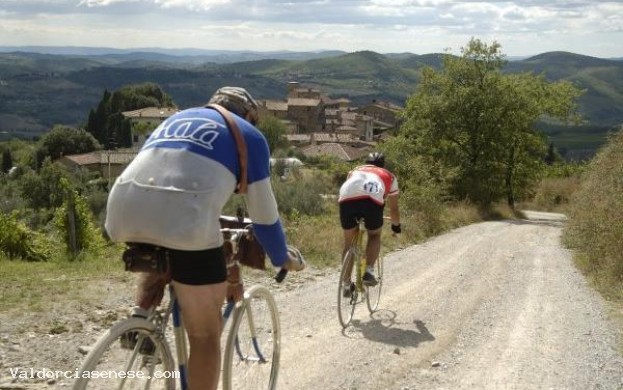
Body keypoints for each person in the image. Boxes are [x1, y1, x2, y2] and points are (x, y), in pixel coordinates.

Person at [104, 86, 305, 390]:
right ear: (249, 115)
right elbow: (265, 217)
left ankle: (141, 314)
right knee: (205, 336)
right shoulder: (248, 135)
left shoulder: (176, 119)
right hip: (186, 217)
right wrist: (282, 257)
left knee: (164, 239)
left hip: (121, 207)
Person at [337, 152, 400, 294]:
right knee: (374, 235)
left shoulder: (354, 170)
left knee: (349, 243)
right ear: (382, 165)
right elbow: (394, 209)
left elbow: (350, 188)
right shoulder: (389, 176)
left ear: (367, 162)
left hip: (346, 199)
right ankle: (369, 271)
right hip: (371, 202)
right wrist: (396, 227)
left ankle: (346, 284)